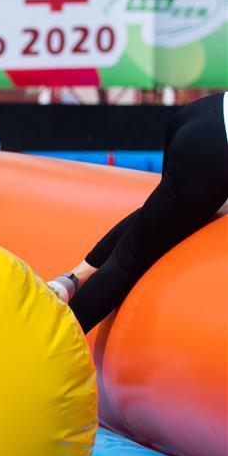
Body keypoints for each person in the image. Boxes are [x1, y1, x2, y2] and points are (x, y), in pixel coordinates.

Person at [48, 92, 228, 332]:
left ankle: (72, 279)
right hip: (213, 149)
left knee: (164, 214)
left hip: (206, 111)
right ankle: (55, 343)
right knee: (131, 259)